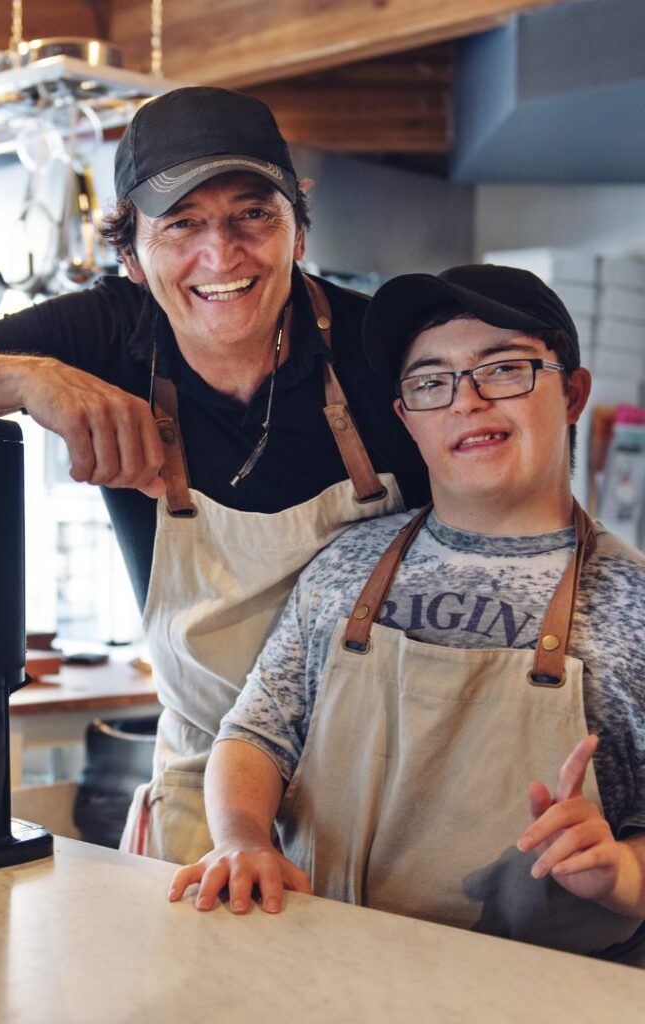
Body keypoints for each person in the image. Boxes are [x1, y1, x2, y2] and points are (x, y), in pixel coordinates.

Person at [0, 86, 430, 865]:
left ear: (298, 231)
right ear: (132, 254)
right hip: (203, 787)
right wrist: (31, 380)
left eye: (253, 215)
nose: (221, 255)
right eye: (182, 224)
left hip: (380, 779)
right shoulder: (105, 331)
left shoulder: (387, 349)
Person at [169, 263, 645, 960]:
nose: (468, 401)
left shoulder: (633, 601)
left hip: (541, 997)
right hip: (326, 975)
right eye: (431, 382)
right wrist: (242, 838)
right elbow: (255, 736)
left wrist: (623, 873)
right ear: (406, 418)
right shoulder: (344, 568)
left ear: (572, 393)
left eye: (505, 369)